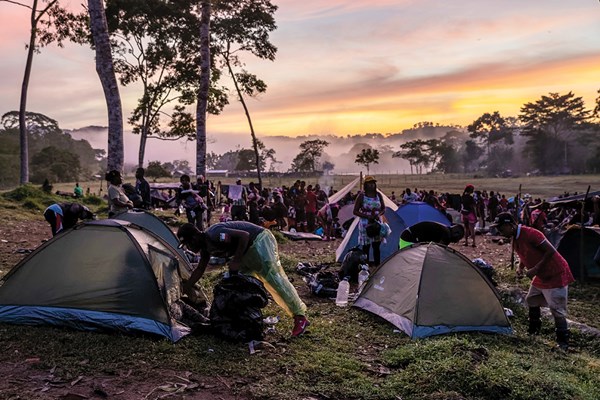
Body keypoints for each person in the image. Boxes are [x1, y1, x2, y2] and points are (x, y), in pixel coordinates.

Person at [176, 221, 310, 337]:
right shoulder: (206, 248)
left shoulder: (215, 234)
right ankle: (250, 318)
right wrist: (185, 288)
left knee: (274, 280)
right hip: (247, 252)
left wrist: (237, 260)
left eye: (188, 244)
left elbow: (244, 236)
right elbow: (199, 270)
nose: (189, 248)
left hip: (259, 241)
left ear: (193, 238)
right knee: (243, 286)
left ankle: (300, 317)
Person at [492, 212, 575, 351]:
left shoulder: (531, 234)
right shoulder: (515, 238)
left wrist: (535, 269)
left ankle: (563, 343)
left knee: (557, 309)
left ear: (510, 225)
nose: (499, 231)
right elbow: (524, 254)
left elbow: (550, 251)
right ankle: (533, 332)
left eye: (501, 228)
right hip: (541, 275)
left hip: (554, 273)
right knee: (532, 299)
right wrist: (520, 267)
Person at [353, 176, 386, 266]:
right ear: (366, 185)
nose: (371, 185)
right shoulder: (361, 196)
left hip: (376, 222)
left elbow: (383, 208)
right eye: (369, 183)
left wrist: (378, 214)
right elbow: (355, 211)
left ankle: (377, 266)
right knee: (366, 246)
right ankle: (365, 266)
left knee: (376, 246)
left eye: (373, 183)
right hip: (365, 224)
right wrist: (367, 216)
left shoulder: (378, 195)